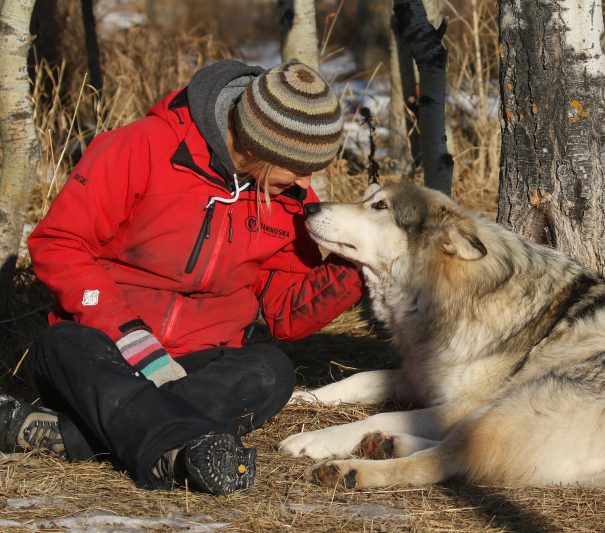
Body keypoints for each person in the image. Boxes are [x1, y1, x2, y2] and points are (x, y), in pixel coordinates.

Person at [0, 59, 364, 495]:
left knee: (272, 371)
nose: (307, 182)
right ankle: (179, 452)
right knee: (62, 344)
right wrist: (131, 337)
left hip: (196, 366)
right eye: (299, 167)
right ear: (259, 145)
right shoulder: (145, 146)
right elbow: (59, 242)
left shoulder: (286, 199)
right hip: (105, 354)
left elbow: (289, 314)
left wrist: (363, 262)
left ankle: (77, 437)